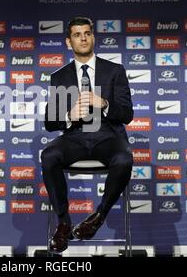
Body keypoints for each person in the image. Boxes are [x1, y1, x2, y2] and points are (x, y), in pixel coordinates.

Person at [41, 16, 134, 253]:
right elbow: (50, 122)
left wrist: (103, 103)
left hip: (107, 135)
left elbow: (126, 114)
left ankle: (98, 216)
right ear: (68, 42)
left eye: (87, 33)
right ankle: (63, 222)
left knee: (124, 158)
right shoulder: (59, 77)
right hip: (76, 137)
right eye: (76, 34)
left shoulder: (114, 71)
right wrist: (70, 115)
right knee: (49, 156)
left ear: (93, 37)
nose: (83, 38)